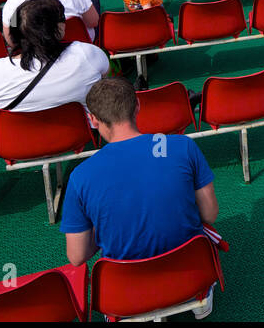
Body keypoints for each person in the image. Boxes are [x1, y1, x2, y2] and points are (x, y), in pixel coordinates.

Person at [61, 76, 219, 269]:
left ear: (92, 119)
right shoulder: (183, 146)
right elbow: (210, 215)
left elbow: (77, 256)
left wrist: (106, 226)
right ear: (138, 106)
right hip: (194, 277)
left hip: (126, 290)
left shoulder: (79, 177)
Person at [0, 0, 110, 112]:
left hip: (23, 138)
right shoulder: (86, 53)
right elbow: (105, 72)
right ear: (57, 28)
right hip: (82, 135)